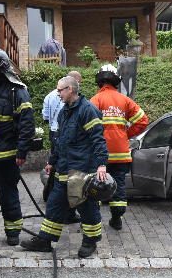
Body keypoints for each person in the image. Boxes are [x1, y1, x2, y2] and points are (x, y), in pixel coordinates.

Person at [21, 75, 109, 258]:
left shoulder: (88, 110)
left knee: (86, 207)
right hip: (63, 168)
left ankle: (90, 241)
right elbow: (59, 141)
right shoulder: (64, 112)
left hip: (81, 170)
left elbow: (98, 139)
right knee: (54, 204)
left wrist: (101, 164)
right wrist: (51, 162)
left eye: (60, 90)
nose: (58, 93)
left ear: (70, 89)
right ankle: (45, 240)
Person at [0, 49, 35, 247]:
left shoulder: (17, 91)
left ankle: (12, 233)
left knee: (8, 195)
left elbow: (27, 123)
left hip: (7, 156)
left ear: (0, 70)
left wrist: (22, 151)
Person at [89, 64, 148, 230]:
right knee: (119, 185)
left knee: (96, 185)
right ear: (116, 81)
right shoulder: (125, 100)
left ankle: (94, 220)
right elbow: (142, 121)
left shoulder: (95, 100)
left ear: (99, 81)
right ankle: (117, 219)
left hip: (100, 155)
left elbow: (86, 127)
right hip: (121, 154)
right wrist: (125, 134)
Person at [42, 70, 82, 153]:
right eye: (78, 83)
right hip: (67, 133)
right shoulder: (70, 98)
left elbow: (45, 116)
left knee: (55, 156)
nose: (79, 86)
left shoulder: (48, 96)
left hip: (53, 131)